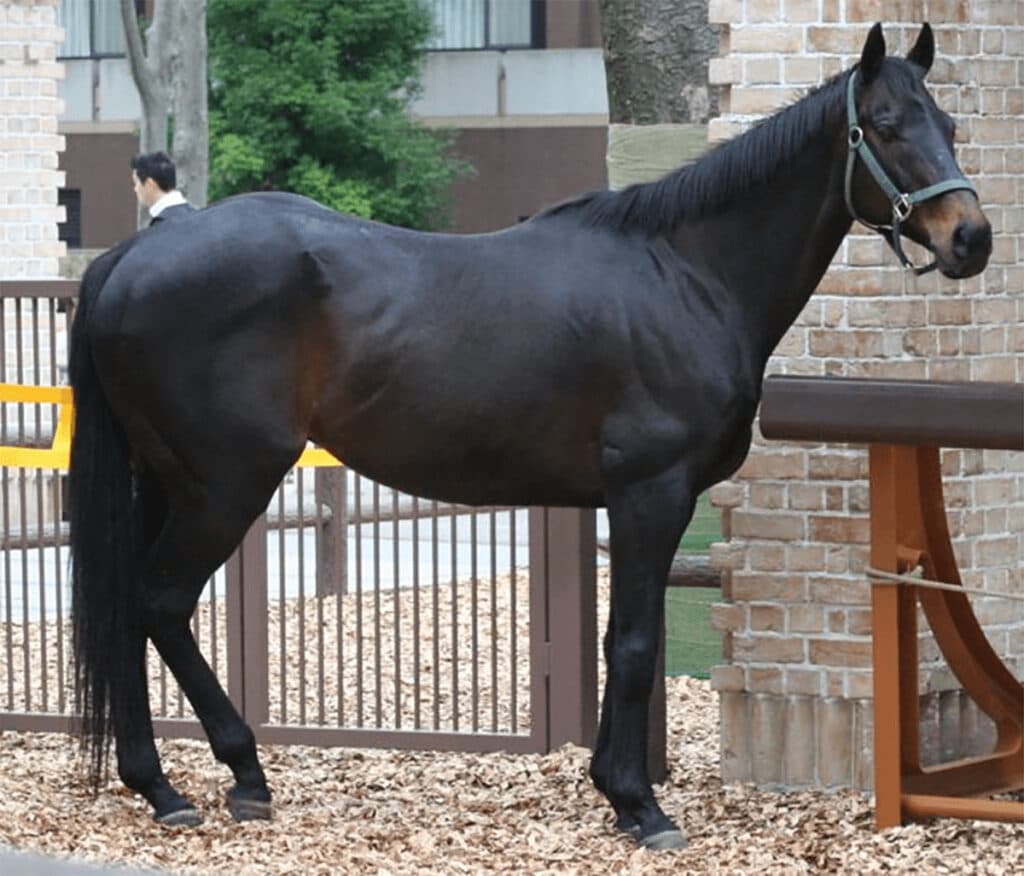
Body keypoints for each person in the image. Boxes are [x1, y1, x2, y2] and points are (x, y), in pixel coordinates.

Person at [130, 151, 197, 226]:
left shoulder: (162, 225)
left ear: (150, 184)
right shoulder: (198, 216)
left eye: (136, 182)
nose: (135, 189)